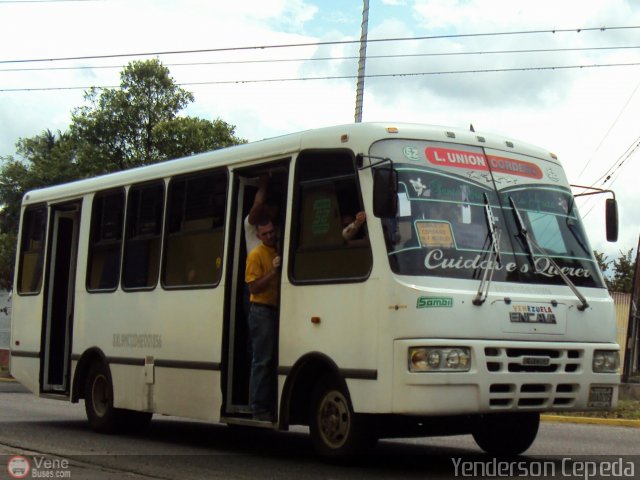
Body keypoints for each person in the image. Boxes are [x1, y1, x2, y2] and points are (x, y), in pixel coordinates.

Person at [245, 219, 281, 421]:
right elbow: (253, 288)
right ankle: (258, 407)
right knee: (262, 360)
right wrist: (273, 273)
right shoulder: (256, 255)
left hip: (275, 309)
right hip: (261, 310)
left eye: (271, 232)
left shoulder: (276, 250)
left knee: (271, 359)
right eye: (265, 234)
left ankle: (268, 404)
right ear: (258, 236)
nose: (270, 236)